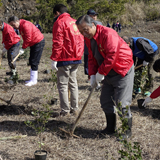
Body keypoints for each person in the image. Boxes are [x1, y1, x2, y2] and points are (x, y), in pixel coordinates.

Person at [76, 15, 134, 139]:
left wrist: (101, 73)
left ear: (93, 25)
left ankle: (126, 131)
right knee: (106, 100)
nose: (83, 33)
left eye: (85, 30)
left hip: (121, 69)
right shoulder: (88, 37)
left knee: (122, 103)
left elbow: (112, 55)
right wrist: (92, 75)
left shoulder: (108, 34)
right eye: (80, 31)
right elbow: (91, 57)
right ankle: (110, 128)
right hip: (106, 71)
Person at [50, 4, 84, 116]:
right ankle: (75, 108)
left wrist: (54, 58)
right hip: (76, 57)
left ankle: (65, 110)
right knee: (73, 83)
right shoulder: (75, 21)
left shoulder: (59, 22)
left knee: (63, 85)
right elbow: (80, 39)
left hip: (65, 57)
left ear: (57, 13)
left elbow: (58, 42)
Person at [8, 16, 45, 86]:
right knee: (31, 60)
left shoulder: (25, 25)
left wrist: (23, 48)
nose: (13, 27)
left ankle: (34, 80)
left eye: (13, 25)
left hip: (38, 42)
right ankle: (32, 79)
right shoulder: (20, 26)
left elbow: (28, 38)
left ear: (17, 21)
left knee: (34, 61)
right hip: (33, 43)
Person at [85, 9, 102, 84]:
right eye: (93, 15)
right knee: (89, 62)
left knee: (98, 61)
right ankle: (90, 76)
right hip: (88, 46)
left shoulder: (99, 23)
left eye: (95, 15)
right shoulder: (84, 24)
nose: (95, 17)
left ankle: (99, 78)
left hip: (98, 47)